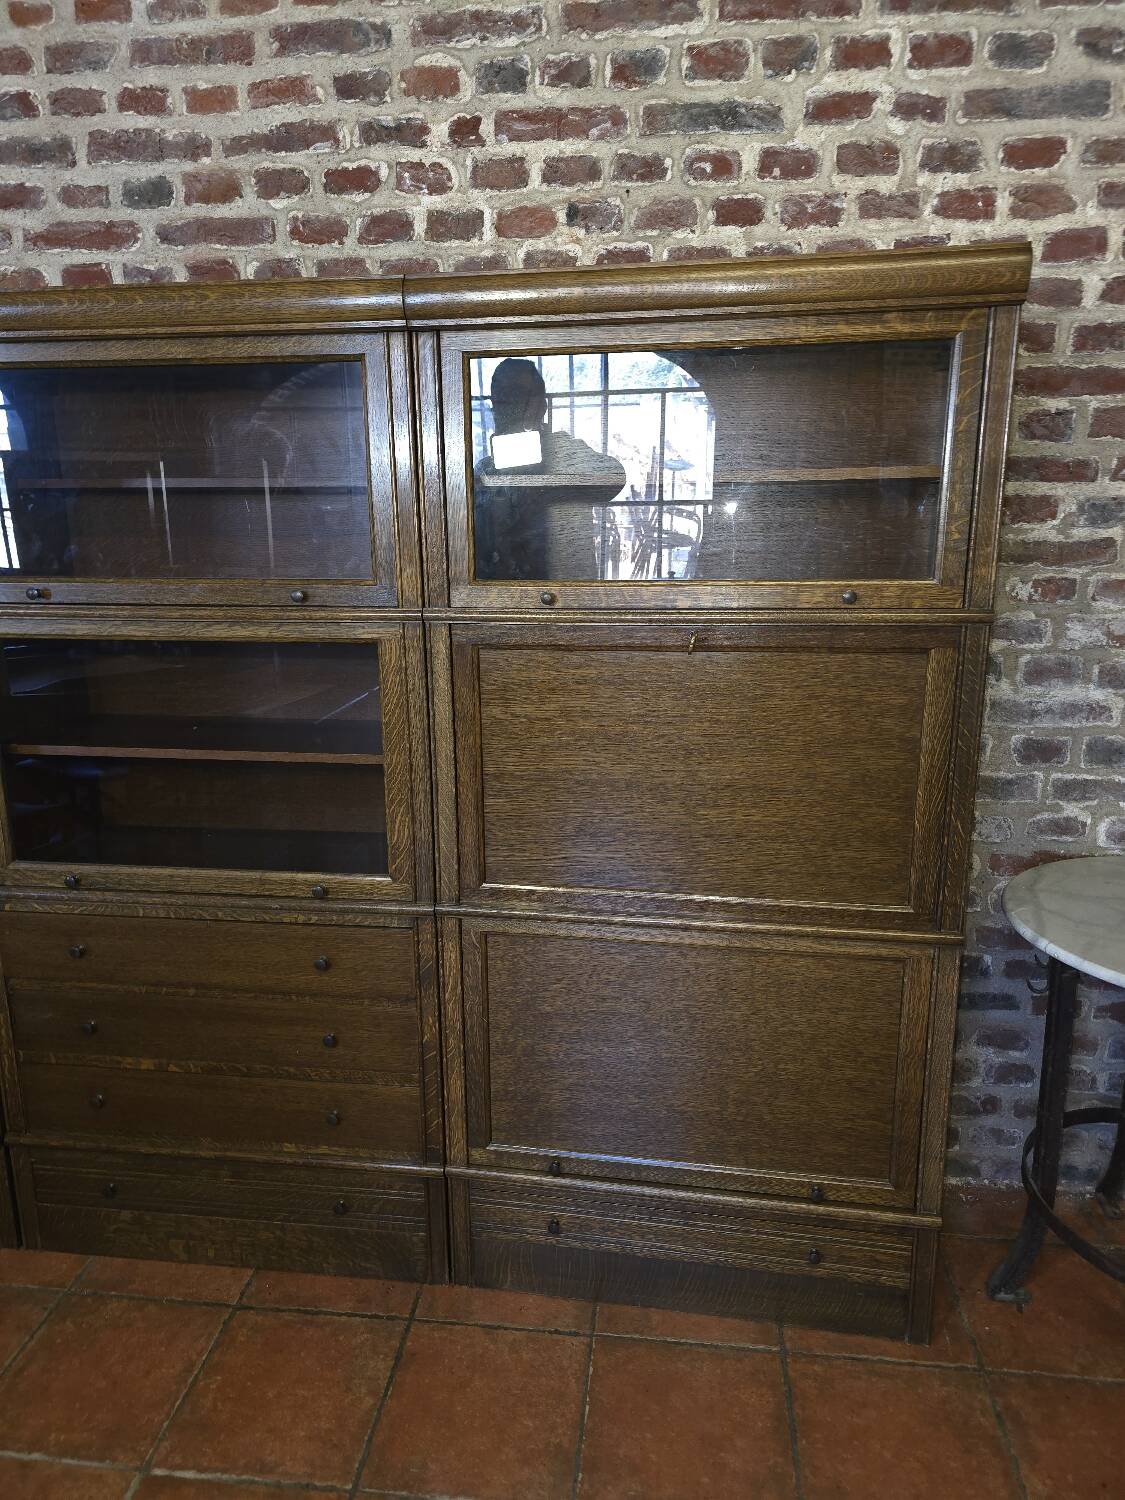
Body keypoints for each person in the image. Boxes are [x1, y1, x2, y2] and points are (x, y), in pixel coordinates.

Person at [473, 358, 627, 580]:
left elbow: (615, 476)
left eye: (522, 398)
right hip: (506, 591)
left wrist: (548, 483)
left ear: (540, 407)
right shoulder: (486, 469)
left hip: (568, 589)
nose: (513, 407)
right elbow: (477, 544)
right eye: (504, 400)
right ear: (494, 407)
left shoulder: (566, 451)